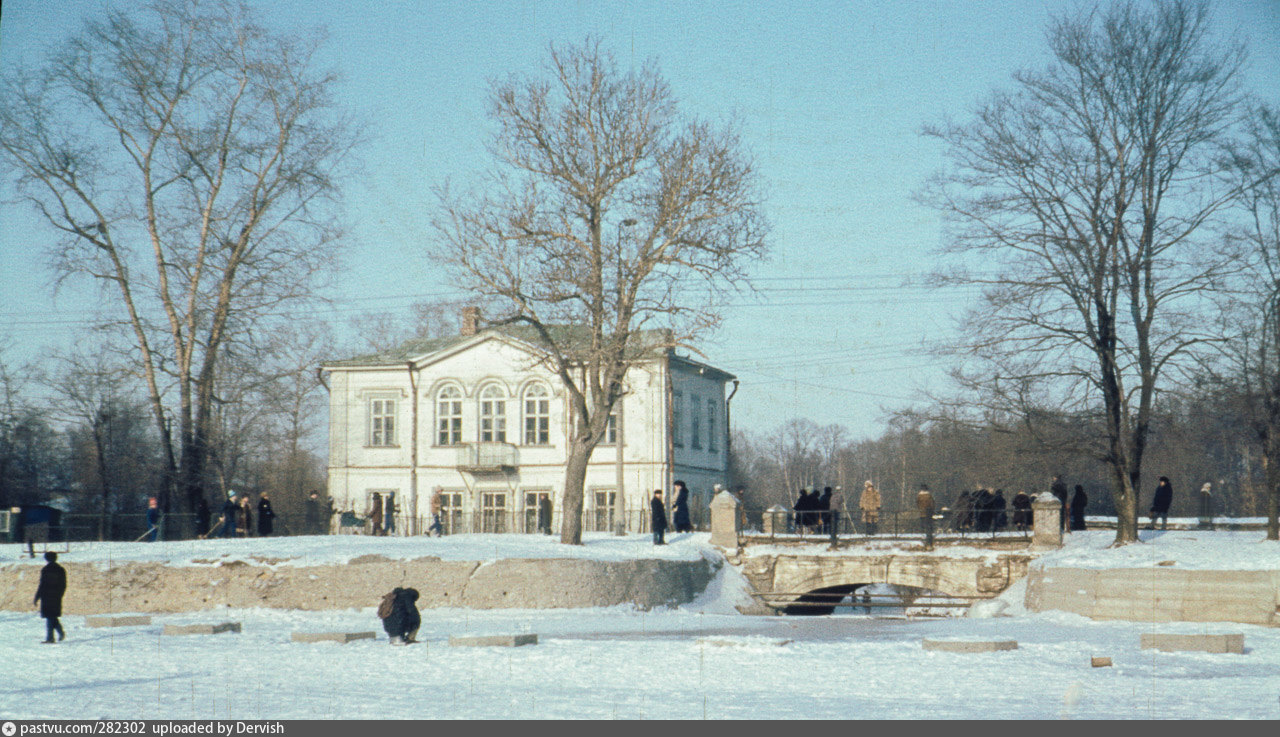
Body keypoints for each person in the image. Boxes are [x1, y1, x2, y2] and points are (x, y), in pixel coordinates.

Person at [34, 551, 66, 644]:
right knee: (52, 617)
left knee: (50, 617)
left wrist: (37, 596)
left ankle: (50, 638)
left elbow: (42, 585)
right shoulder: (60, 569)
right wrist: (60, 594)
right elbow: (63, 584)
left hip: (46, 596)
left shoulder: (45, 569)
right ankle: (60, 632)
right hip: (56, 596)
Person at [916, 484, 935, 549]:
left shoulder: (919, 496)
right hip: (928, 513)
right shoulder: (929, 496)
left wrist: (921, 509)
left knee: (924, 527)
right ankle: (929, 542)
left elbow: (918, 504)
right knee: (929, 528)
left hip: (922, 513)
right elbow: (932, 504)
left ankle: (925, 541)